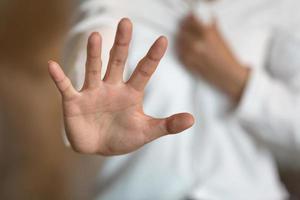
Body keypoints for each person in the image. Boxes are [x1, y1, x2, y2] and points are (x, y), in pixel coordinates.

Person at [49, 0, 300, 199]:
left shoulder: (282, 7)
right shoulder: (118, 6)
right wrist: (86, 96)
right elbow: (93, 36)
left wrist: (239, 81)